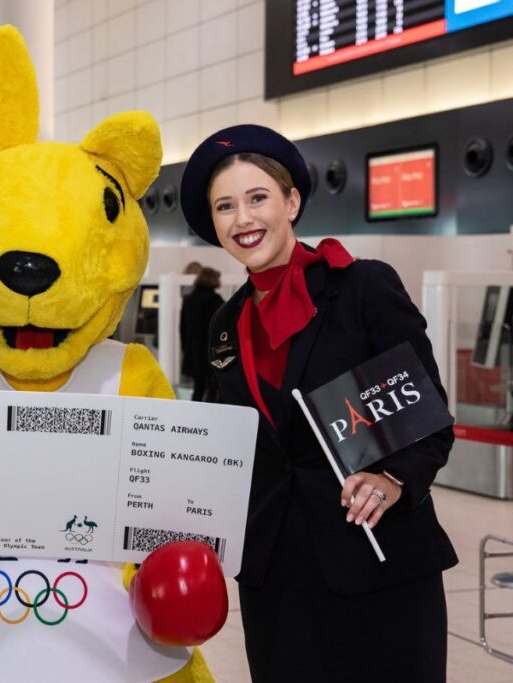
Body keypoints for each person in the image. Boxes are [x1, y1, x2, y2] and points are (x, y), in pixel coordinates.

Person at [180, 124, 457, 683]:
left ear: (292, 202)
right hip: (277, 577)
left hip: (377, 556)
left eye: (258, 198)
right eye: (225, 207)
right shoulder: (226, 324)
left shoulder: (362, 289)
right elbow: (229, 439)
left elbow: (429, 411)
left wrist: (395, 479)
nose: (243, 220)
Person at [179, 266, 223, 401]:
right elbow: (220, 328)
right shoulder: (216, 300)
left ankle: (194, 418)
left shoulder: (189, 299)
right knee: (212, 388)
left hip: (193, 350)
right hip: (209, 351)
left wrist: (185, 348)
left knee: (198, 388)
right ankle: (208, 419)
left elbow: (183, 327)